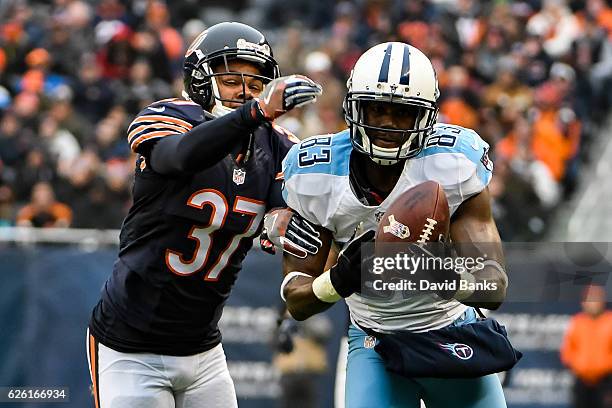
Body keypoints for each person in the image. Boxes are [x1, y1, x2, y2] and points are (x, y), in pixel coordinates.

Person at [86, 22, 322, 408]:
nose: (245, 90)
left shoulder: (278, 145)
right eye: (232, 79)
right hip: (128, 345)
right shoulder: (168, 116)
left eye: (255, 81)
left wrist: (280, 218)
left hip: (203, 351)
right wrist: (255, 112)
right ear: (200, 79)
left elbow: (283, 196)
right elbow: (180, 156)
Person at [273, 42, 510, 407]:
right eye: (376, 109)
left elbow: (492, 284)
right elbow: (297, 299)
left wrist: (434, 273)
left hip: (451, 330)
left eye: (403, 113)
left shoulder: (452, 163)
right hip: (375, 340)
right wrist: (336, 281)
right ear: (353, 106)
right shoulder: (315, 173)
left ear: (426, 117)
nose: (387, 123)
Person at [561, 284, 612, 408]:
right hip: (582, 381)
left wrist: (603, 366)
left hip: (606, 381)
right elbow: (567, 351)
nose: (592, 303)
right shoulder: (577, 322)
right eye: (589, 299)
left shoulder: (609, 321)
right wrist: (579, 365)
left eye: (596, 299)